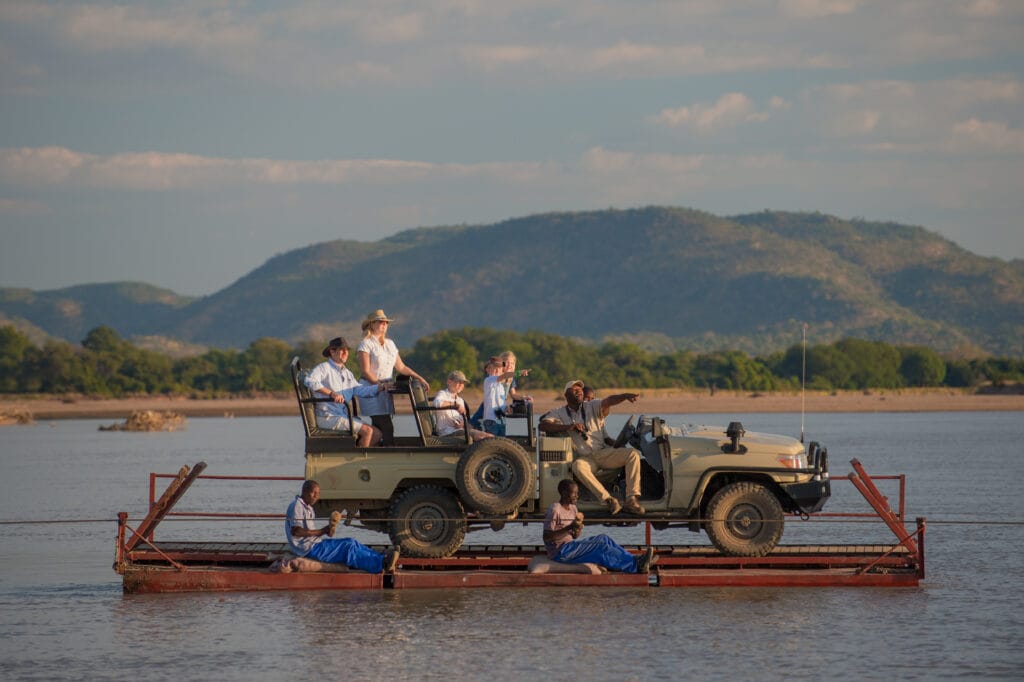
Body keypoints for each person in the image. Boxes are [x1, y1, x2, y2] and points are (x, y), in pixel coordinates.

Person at [538, 380, 646, 515]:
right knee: (578, 466)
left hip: (602, 453)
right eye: (574, 389)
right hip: (585, 458)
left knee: (633, 454)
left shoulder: (591, 406)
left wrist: (624, 396)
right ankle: (608, 500)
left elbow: (608, 401)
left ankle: (631, 499)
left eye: (580, 389)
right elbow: (543, 425)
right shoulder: (559, 412)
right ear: (566, 394)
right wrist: (569, 427)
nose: (578, 391)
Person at [543, 479, 655, 574]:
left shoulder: (573, 509)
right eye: (574, 493)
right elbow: (547, 537)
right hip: (560, 552)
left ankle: (635, 560)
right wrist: (569, 527)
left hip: (571, 546)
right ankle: (636, 566)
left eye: (577, 493)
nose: (577, 496)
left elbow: (574, 536)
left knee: (604, 538)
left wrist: (576, 530)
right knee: (601, 546)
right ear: (563, 493)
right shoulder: (555, 509)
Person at [286, 480, 399, 573]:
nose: (316, 496)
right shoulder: (297, 506)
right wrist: (322, 531)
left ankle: (382, 558)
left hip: (316, 544)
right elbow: (296, 531)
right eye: (313, 493)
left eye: (318, 494)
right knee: (348, 548)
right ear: (304, 491)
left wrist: (331, 528)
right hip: (308, 549)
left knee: (351, 541)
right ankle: (380, 565)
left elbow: (322, 533)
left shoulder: (309, 508)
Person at [356, 309, 429, 445]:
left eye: (386, 323)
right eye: (380, 322)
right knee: (386, 426)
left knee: (381, 426)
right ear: (371, 324)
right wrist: (380, 385)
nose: (384, 325)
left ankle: (373, 453)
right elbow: (366, 371)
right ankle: (386, 452)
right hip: (370, 388)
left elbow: (401, 367)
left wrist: (419, 378)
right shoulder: (365, 344)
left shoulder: (390, 343)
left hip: (386, 389)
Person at [305, 337, 384, 447]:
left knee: (377, 434)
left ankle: (361, 458)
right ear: (332, 352)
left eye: (347, 350)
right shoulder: (323, 368)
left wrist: (381, 387)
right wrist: (331, 393)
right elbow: (310, 381)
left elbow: (360, 390)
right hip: (328, 417)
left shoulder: (347, 373)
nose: (346, 353)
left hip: (342, 416)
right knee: (368, 431)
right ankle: (358, 462)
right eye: (342, 350)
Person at [433, 370, 493, 442]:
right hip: (447, 432)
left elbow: (463, 419)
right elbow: (437, 403)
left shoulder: (460, 400)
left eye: (463, 383)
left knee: (489, 436)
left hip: (459, 430)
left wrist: (462, 424)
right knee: (481, 436)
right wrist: (455, 405)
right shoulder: (442, 394)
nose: (461, 385)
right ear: (449, 382)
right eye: (458, 382)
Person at [481, 356, 529, 437]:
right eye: (494, 368)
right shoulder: (488, 380)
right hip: (491, 421)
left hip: (501, 420)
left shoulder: (501, 386)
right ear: (487, 370)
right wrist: (519, 373)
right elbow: (503, 376)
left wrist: (506, 408)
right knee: (492, 444)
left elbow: (500, 402)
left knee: (502, 445)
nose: (497, 370)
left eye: (499, 369)